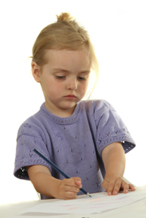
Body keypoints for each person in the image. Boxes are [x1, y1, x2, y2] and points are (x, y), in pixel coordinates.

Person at [14, 12, 136, 200]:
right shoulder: (31, 130)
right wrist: (56, 187)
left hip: (100, 208)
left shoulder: (99, 112)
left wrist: (114, 175)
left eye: (82, 77)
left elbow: (113, 149)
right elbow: (38, 174)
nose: (73, 85)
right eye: (61, 76)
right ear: (37, 72)